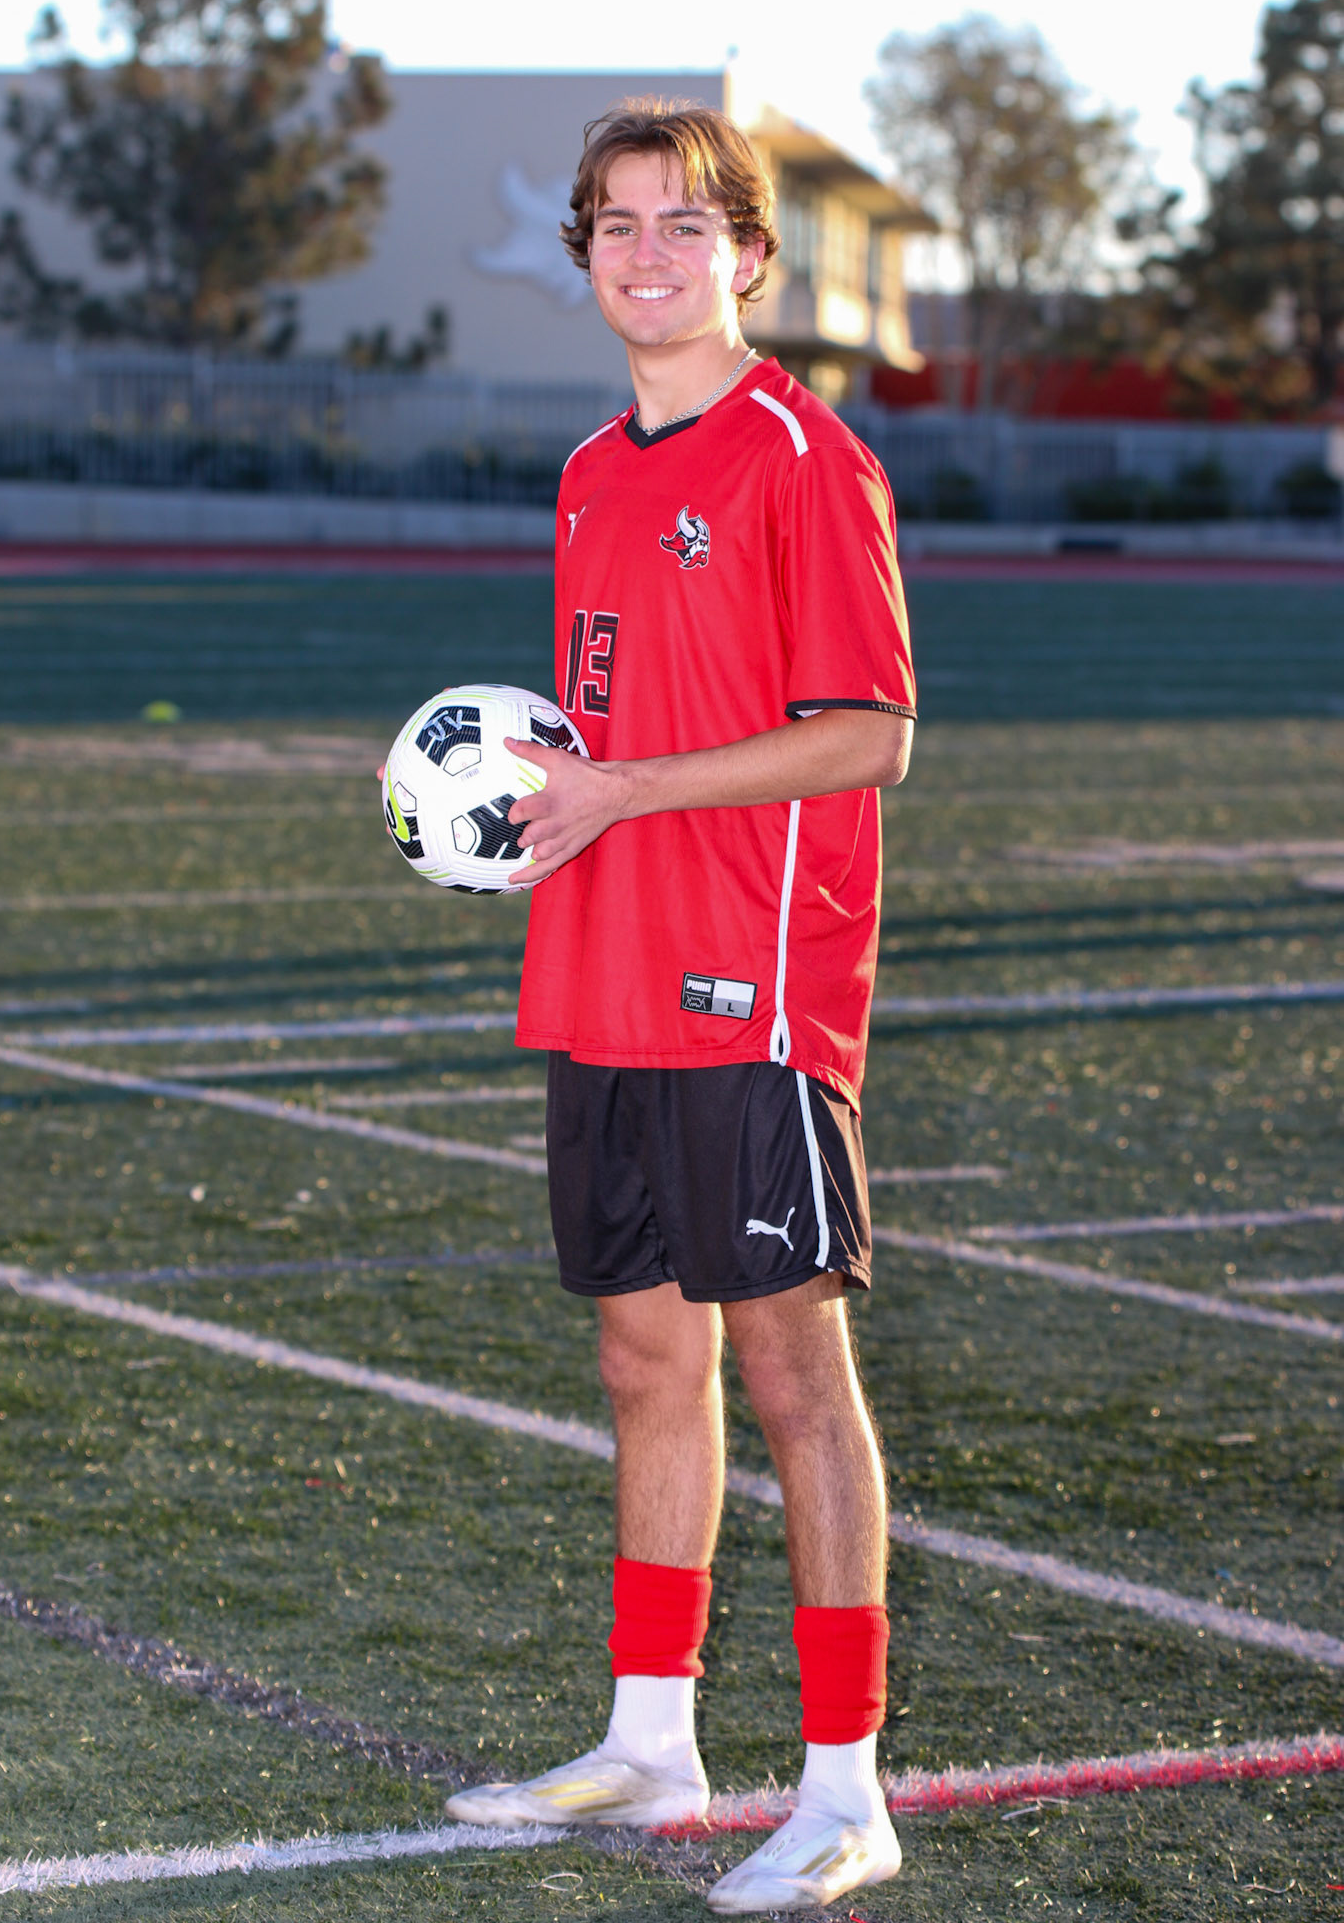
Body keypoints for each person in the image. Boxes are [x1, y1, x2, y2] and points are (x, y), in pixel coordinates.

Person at [445, 98, 916, 1915]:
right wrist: (518, 801)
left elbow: (868, 736)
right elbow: (607, 717)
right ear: (589, 258)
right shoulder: (590, 470)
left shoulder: (804, 454)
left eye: (685, 225)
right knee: (644, 1359)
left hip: (755, 976)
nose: (649, 255)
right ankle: (654, 1739)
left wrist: (628, 792)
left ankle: (847, 1790)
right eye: (619, 226)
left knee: (793, 1370)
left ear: (749, 257)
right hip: (605, 964)